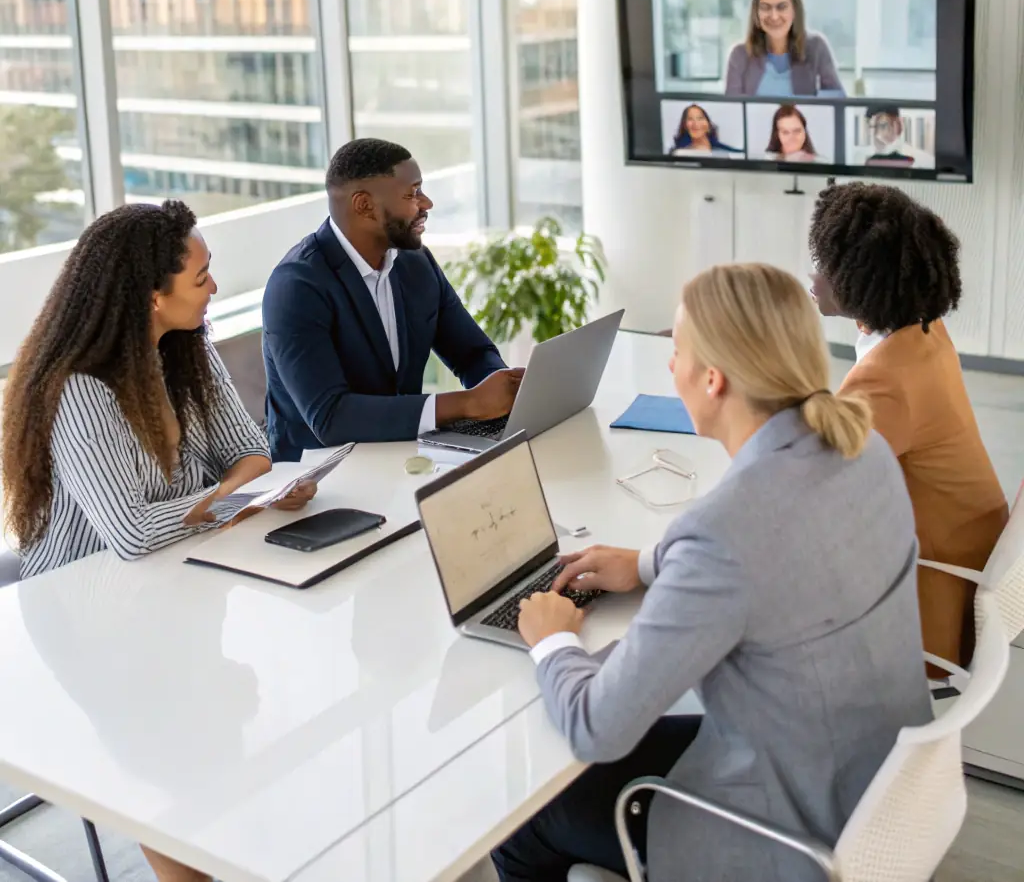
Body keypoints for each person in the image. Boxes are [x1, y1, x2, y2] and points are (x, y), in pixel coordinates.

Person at [494, 263, 931, 882]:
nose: (670, 368)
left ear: (713, 379)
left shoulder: (727, 532)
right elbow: (776, 551)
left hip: (786, 832)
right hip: (876, 790)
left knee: (525, 819)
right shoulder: (864, 449)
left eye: (676, 352)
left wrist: (553, 639)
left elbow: (596, 728)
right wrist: (646, 564)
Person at [0, 199, 311, 882]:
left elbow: (253, 452)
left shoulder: (184, 353)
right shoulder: (78, 388)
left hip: (175, 581)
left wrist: (233, 495)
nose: (214, 287)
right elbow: (132, 532)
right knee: (185, 778)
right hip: (87, 617)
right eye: (201, 276)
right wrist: (235, 499)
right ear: (151, 293)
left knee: (234, 748)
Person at [809, 182, 1008, 670]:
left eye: (826, 266)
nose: (813, 278)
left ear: (861, 279)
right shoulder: (922, 331)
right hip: (968, 556)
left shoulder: (886, 382)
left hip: (936, 598)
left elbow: (805, 486)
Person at [262, 138, 523, 461]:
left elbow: (472, 353)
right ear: (364, 205)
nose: (427, 203)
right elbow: (331, 417)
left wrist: (508, 395)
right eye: (412, 193)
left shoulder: (416, 264)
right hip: (321, 478)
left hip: (402, 457)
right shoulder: (296, 286)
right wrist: (468, 403)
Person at [725, 0, 844, 98]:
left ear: (794, 11)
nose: (774, 16)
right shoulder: (740, 55)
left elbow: (838, 100)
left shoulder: (816, 47)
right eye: (765, 8)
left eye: (782, 7)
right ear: (756, 14)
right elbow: (732, 110)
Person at [669, 103, 742, 157]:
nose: (696, 124)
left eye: (700, 118)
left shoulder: (723, 153)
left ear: (708, 125)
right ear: (684, 126)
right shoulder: (680, 154)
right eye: (690, 119)